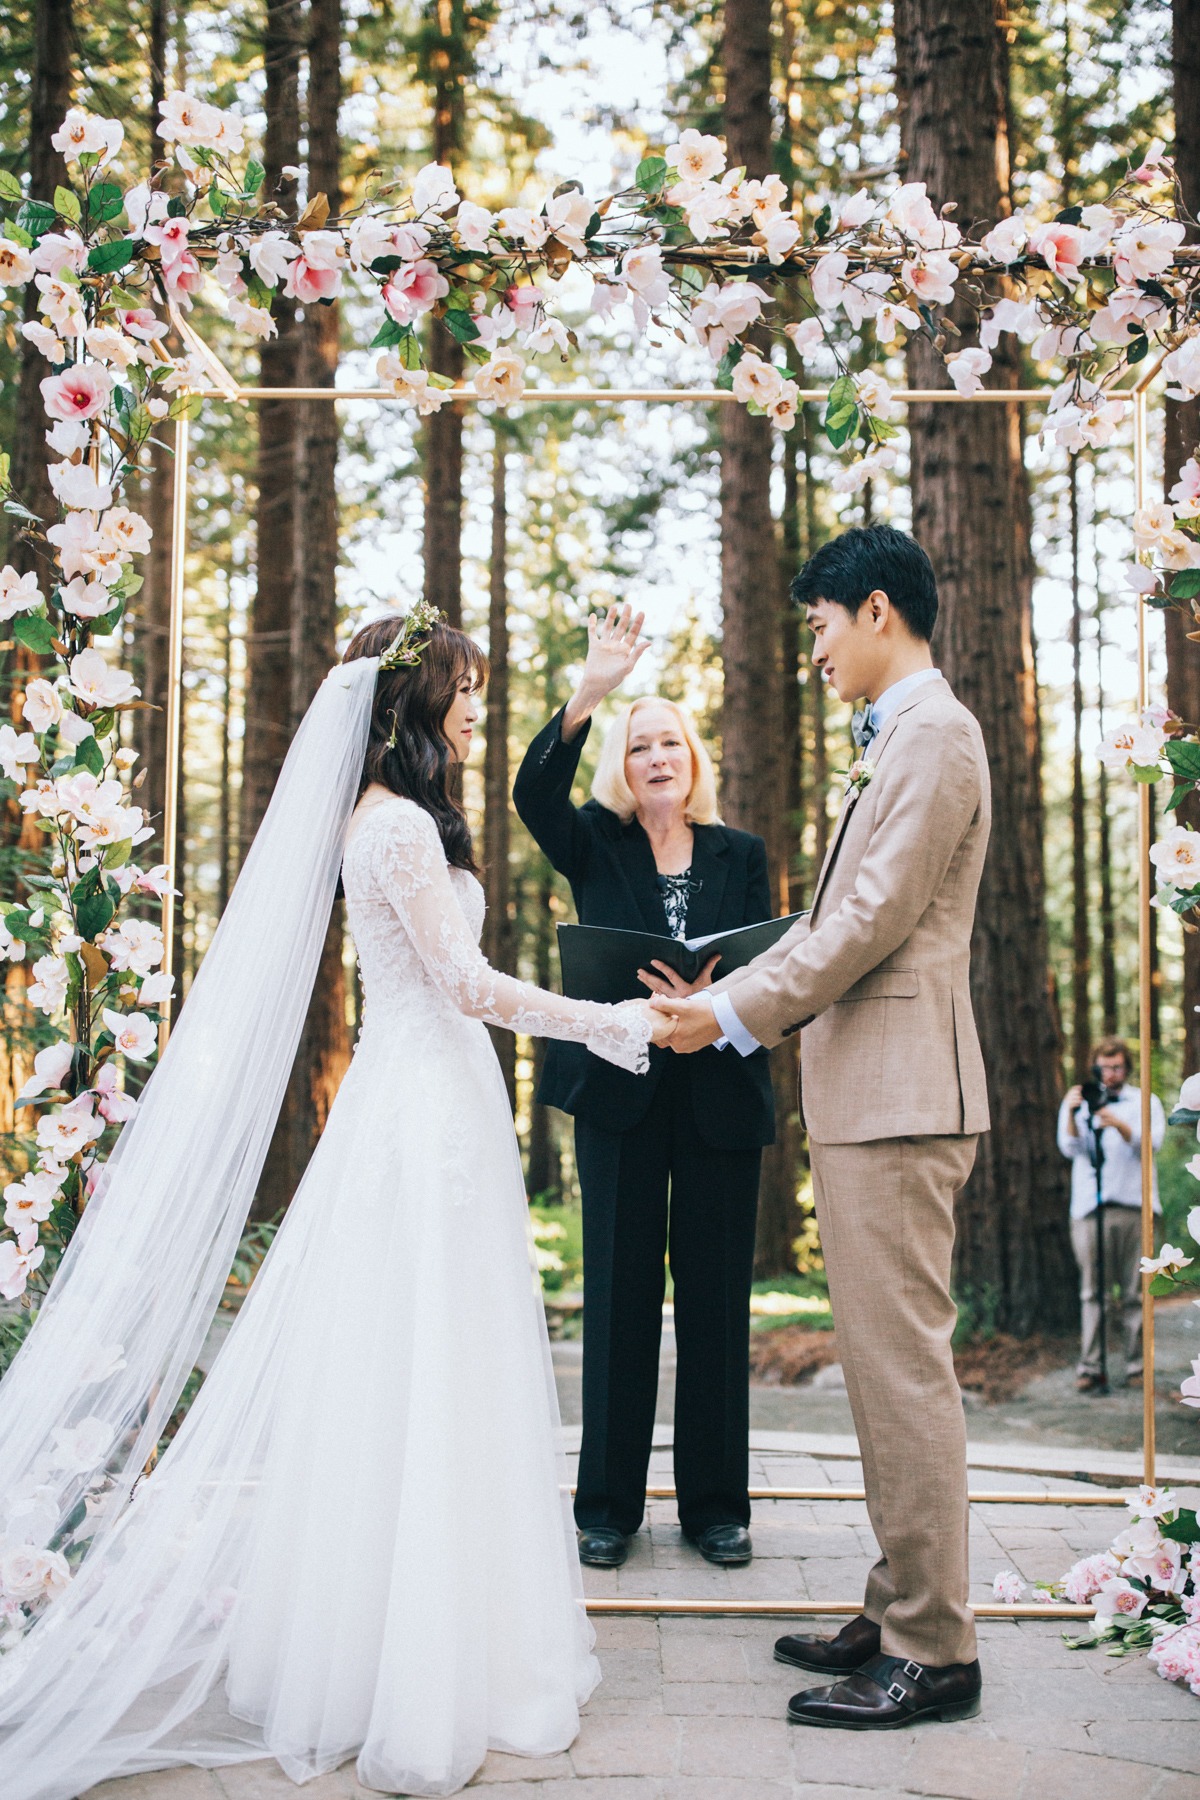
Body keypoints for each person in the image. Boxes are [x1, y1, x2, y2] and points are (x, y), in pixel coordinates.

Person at [0, 610, 675, 1800]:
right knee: (423, 1372)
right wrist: (608, 1023)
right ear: (411, 702)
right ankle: (413, 1677)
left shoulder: (394, 818)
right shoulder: (397, 827)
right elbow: (461, 985)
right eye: (464, 691)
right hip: (422, 1116)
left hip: (430, 1104)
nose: (476, 708)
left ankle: (395, 1645)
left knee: (427, 1373)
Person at [652, 524, 991, 1732]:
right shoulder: (901, 741)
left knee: (904, 1374)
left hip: (904, 1099)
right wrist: (719, 1004)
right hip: (870, 1096)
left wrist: (734, 1014)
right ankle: (901, 1599)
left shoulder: (938, 737)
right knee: (883, 1371)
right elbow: (828, 916)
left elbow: (871, 923)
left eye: (821, 625)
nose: (813, 650)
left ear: (880, 610)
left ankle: (935, 1647)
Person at [513, 604, 775, 1572]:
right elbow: (530, 793)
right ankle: (607, 1510)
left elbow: (769, 957)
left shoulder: (739, 854)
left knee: (713, 1306)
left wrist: (720, 993)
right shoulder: (594, 843)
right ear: (621, 768)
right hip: (620, 1091)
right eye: (639, 745)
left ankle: (715, 1508)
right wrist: (593, 689)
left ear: (692, 760)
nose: (656, 756)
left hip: (718, 1094)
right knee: (620, 1299)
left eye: (670, 743)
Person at [1059, 1036, 1164, 1392]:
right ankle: (1090, 1367)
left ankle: (1137, 1367)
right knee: (1093, 1293)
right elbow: (1070, 1147)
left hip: (1135, 1208)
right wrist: (1076, 1114)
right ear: (1094, 1067)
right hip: (1090, 1210)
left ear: (1127, 1067)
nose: (1111, 1073)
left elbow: (1152, 1144)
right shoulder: (1078, 1099)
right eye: (1105, 1067)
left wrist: (1117, 1123)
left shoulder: (1144, 1100)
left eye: (1117, 1066)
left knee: (1137, 1292)